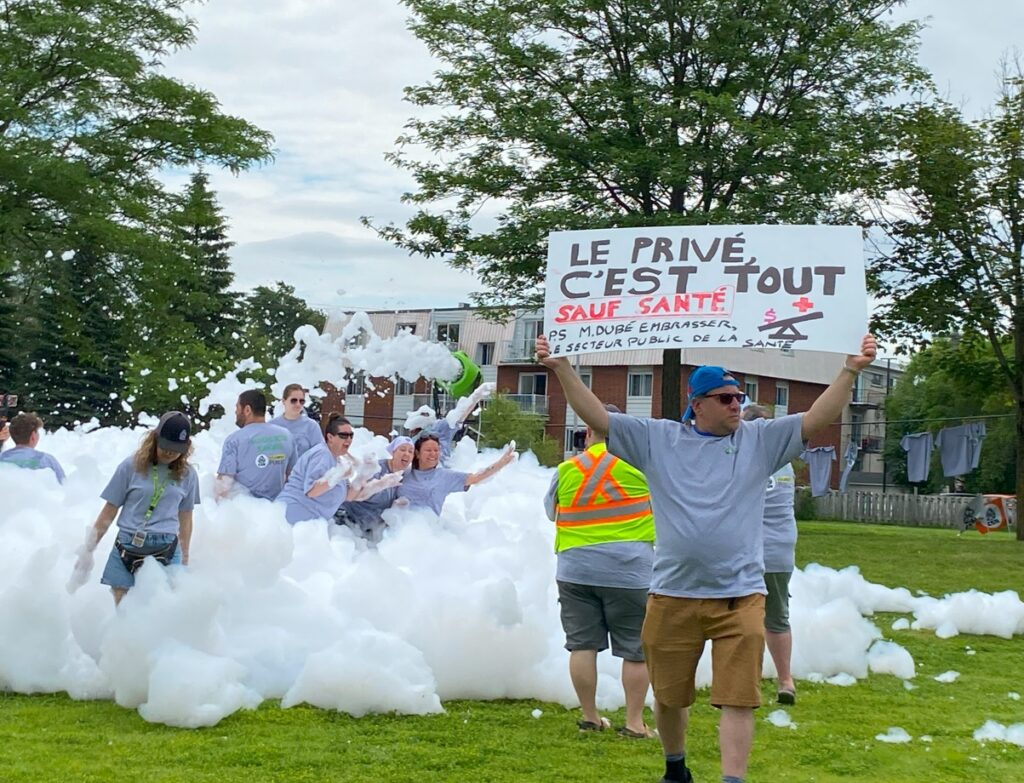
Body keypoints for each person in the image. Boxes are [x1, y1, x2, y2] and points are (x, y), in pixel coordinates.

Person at [535, 333, 877, 783]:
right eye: (726, 398)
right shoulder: (658, 439)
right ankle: (675, 768)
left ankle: (732, 779)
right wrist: (561, 368)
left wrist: (850, 370)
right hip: (673, 594)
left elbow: (816, 419)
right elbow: (598, 415)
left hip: (741, 596)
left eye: (739, 397)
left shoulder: (761, 440)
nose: (737, 404)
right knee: (671, 697)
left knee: (740, 698)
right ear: (697, 404)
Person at [543, 404, 655, 738]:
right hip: (630, 571)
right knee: (636, 649)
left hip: (576, 570)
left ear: (587, 432)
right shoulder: (640, 468)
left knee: (582, 645)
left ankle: (590, 717)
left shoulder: (566, 470)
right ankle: (634, 723)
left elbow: (552, 513)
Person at [70, 411, 199, 605]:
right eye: (165, 446)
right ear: (155, 438)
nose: (170, 452)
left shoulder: (188, 475)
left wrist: (185, 556)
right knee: (123, 612)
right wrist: (88, 550)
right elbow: (109, 510)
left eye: (176, 448)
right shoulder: (130, 466)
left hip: (167, 549)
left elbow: (186, 518)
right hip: (127, 547)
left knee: (165, 609)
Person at [742, 404, 798, 705]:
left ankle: (747, 680)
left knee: (742, 620)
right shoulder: (785, 462)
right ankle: (785, 680)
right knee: (778, 618)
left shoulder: (746, 458)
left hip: (746, 551)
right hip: (780, 550)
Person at [396, 433, 515, 514]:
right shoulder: (403, 473)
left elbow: (477, 478)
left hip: (426, 532)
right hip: (394, 533)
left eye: (436, 450)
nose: (433, 454)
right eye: (428, 450)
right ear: (417, 453)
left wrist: (501, 463)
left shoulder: (443, 476)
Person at [276, 413, 357, 524]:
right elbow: (311, 491)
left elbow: (348, 496)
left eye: (351, 435)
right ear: (330, 437)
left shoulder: (337, 460)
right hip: (292, 516)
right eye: (343, 435)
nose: (348, 439)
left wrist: (366, 476)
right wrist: (340, 474)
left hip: (309, 523)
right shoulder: (322, 454)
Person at [215, 390, 295, 500]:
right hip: (277, 510)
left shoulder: (235, 440)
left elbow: (224, 484)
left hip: (243, 511)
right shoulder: (287, 436)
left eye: (237, 408)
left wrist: (215, 508)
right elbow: (293, 476)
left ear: (247, 410)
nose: (235, 412)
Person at [336, 435, 414, 542]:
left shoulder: (405, 475)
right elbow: (353, 495)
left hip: (370, 527)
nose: (407, 454)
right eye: (402, 449)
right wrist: (378, 485)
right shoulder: (376, 469)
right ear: (393, 452)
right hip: (347, 519)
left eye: (411, 451)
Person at [404, 382, 496, 463]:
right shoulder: (410, 442)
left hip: (438, 475)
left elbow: (459, 414)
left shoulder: (436, 428)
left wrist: (476, 395)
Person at [0, 412, 66, 483]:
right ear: (33, 436)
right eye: (37, 431)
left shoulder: (2, 459)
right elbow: (65, 486)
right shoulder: (46, 460)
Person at [271, 383, 325, 458]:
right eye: (293, 400)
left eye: (301, 401)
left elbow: (319, 454)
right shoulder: (272, 426)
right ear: (283, 401)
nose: (298, 404)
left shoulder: (311, 426)